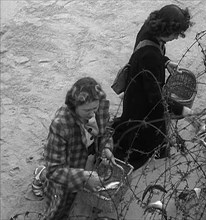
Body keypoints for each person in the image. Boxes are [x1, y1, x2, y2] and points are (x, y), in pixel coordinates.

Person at [111, 4, 196, 170]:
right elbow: (156, 100)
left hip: (136, 85)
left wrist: (166, 62)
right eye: (176, 34)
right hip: (142, 100)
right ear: (166, 30)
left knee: (132, 121)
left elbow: (148, 54)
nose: (177, 38)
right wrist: (181, 110)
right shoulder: (151, 57)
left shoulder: (148, 29)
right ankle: (129, 160)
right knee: (142, 134)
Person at [32, 77, 115, 220]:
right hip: (67, 164)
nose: (92, 114)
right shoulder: (61, 125)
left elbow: (105, 132)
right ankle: (40, 175)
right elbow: (55, 170)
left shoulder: (99, 105)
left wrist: (106, 147)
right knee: (59, 200)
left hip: (86, 159)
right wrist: (83, 177)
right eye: (86, 110)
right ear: (74, 106)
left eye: (95, 108)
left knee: (79, 194)